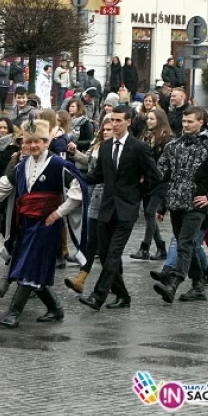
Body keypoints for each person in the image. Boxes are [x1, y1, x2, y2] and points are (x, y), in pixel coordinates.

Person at [0, 119, 88, 329]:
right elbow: (3, 186)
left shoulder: (59, 165)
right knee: (33, 266)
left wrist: (58, 213)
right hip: (25, 224)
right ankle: (55, 307)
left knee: (28, 266)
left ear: (46, 142)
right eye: (28, 142)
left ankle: (13, 313)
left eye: (37, 141)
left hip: (46, 225)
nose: (32, 146)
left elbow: (78, 189)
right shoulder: (20, 167)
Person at [78, 105, 161, 312]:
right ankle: (123, 296)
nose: (114, 124)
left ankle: (98, 296)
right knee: (105, 255)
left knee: (114, 254)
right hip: (106, 208)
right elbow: (98, 175)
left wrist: (137, 193)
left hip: (127, 209)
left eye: (118, 121)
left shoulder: (138, 147)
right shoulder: (105, 147)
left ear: (128, 122)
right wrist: (75, 176)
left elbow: (155, 177)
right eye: (112, 120)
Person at [151, 107, 208, 303]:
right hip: (176, 203)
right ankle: (198, 286)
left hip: (197, 205)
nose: (186, 125)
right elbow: (160, 174)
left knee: (186, 243)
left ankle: (174, 281)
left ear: (201, 122)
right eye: (184, 121)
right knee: (185, 244)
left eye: (190, 121)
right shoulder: (174, 146)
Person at [63, 119, 115, 294]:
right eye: (104, 129)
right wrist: (75, 153)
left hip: (109, 199)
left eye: (110, 129)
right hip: (93, 195)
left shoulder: (116, 149)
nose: (106, 132)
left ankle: (112, 285)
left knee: (108, 247)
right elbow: (88, 163)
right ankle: (82, 278)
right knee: (92, 240)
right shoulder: (98, 146)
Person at [129, 108, 171, 260]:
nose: (149, 121)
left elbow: (166, 163)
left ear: (160, 120)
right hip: (147, 181)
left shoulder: (167, 138)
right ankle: (161, 248)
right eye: (148, 119)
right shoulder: (145, 136)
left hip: (161, 181)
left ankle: (145, 247)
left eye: (152, 119)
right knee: (148, 213)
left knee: (149, 212)